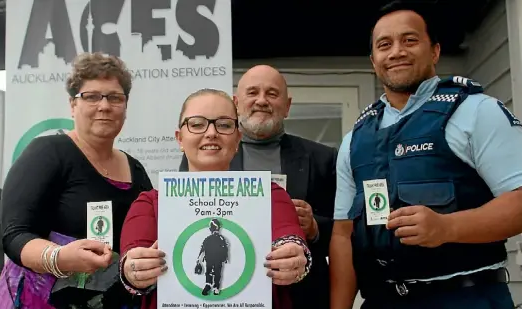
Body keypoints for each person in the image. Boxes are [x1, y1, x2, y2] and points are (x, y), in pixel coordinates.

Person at [329, 3, 522, 309]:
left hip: (466, 297)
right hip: (381, 300)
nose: (396, 52)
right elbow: (343, 234)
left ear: (434, 52)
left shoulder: (475, 111)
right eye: (384, 45)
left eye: (409, 40)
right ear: (373, 61)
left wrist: (448, 228)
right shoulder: (355, 140)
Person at [118, 88, 313, 309]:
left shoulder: (270, 194)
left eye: (224, 124)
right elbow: (132, 257)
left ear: (238, 138)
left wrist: (293, 257)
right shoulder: (150, 203)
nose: (211, 133)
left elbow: (289, 236)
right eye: (197, 124)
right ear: (179, 138)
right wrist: (134, 270)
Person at [0, 52, 153, 309]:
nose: (104, 106)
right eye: (91, 96)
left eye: (115, 97)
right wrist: (59, 257)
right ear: (72, 104)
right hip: (39, 301)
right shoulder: (47, 152)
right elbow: (15, 234)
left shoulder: (137, 170)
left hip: (110, 301)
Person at [179, 65, 337, 309]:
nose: (261, 101)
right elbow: (183, 219)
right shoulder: (207, 153)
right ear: (236, 103)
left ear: (288, 106)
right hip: (227, 295)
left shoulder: (322, 159)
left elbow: (346, 234)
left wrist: (314, 228)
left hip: (301, 298)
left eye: (272, 94)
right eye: (252, 93)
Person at [195, 218, 229, 296]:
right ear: (219, 228)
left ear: (210, 228)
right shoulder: (222, 239)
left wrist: (199, 259)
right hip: (218, 260)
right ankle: (216, 287)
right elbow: (226, 249)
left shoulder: (208, 239)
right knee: (217, 273)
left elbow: (202, 249)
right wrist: (225, 258)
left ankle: (209, 285)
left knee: (209, 272)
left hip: (209, 259)